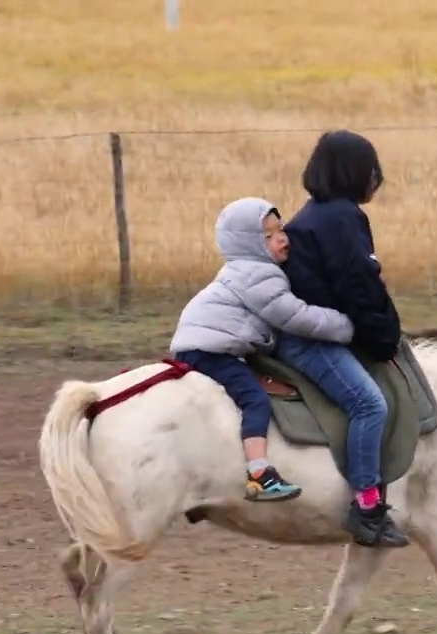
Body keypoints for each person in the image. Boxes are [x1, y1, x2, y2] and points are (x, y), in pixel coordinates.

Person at [169, 196, 356, 503]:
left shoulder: (245, 270)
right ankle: (259, 473)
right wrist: (347, 326)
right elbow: (295, 316)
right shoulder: (258, 275)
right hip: (208, 350)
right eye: (268, 236)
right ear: (250, 246)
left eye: (280, 229)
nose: (281, 238)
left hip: (206, 345)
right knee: (256, 401)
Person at [275, 130, 409, 548]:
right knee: (369, 403)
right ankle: (366, 507)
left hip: (315, 328)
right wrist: (385, 339)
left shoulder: (317, 214)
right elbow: (360, 287)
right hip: (310, 340)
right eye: (372, 170)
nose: (377, 179)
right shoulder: (342, 218)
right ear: (355, 173)